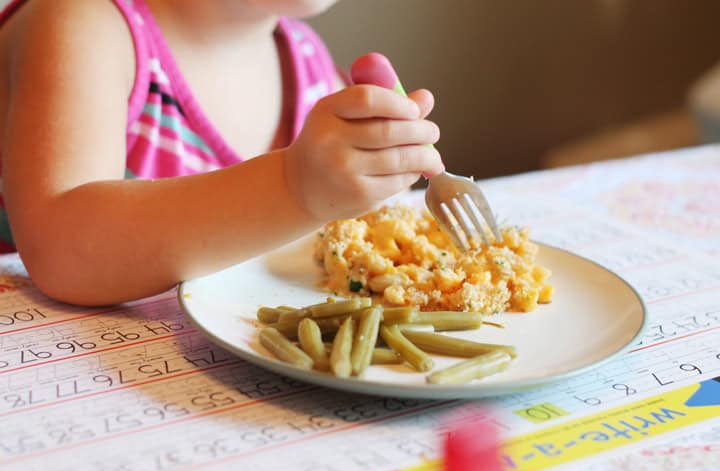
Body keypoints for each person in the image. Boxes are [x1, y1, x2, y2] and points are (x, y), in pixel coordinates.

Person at [0, 0, 443, 306]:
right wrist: (293, 187)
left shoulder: (312, 68)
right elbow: (62, 251)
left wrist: (368, 175)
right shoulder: (81, 24)